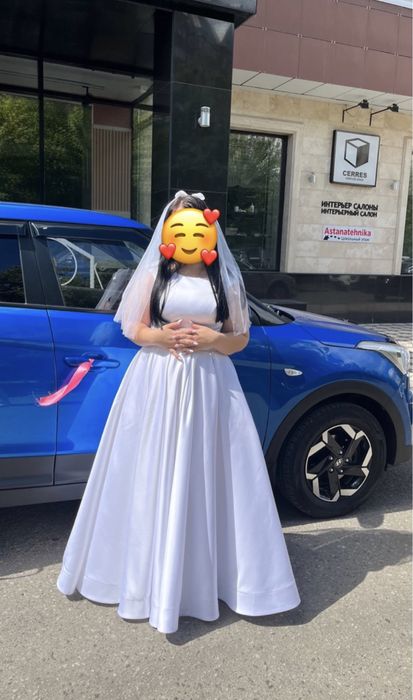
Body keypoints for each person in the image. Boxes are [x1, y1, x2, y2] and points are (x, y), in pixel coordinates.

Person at [56, 190, 301, 634]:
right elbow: (133, 328)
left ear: (210, 230)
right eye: (180, 226)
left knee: (210, 471)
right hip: (158, 380)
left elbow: (240, 338)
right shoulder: (154, 276)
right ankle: (145, 579)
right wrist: (162, 337)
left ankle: (213, 577)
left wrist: (215, 341)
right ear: (169, 232)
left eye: (197, 226)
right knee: (151, 469)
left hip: (210, 382)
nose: (189, 235)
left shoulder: (225, 282)